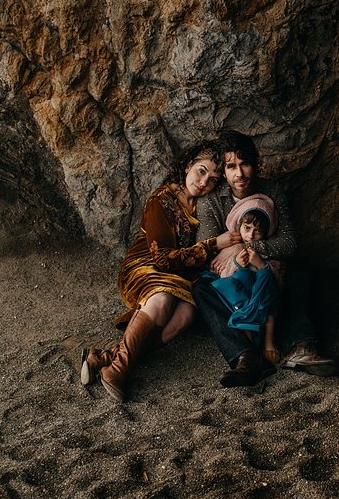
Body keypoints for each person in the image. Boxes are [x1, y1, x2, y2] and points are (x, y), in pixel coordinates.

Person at [80, 140, 229, 402]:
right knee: (162, 299)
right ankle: (118, 369)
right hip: (143, 266)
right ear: (188, 165)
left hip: (179, 275)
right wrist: (213, 245)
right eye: (201, 171)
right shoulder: (162, 200)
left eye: (214, 179)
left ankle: (105, 356)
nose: (205, 182)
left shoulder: (205, 205)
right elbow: (161, 259)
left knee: (187, 315)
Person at [193, 130, 336, 387]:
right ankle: (245, 357)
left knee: (301, 272)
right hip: (234, 280)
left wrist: (252, 250)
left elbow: (289, 242)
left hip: (269, 271)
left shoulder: (271, 191)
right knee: (201, 287)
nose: (240, 174)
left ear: (255, 164)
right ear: (223, 171)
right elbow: (206, 253)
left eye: (245, 164)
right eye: (231, 166)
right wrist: (237, 256)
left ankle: (300, 346)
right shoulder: (211, 202)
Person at [196, 194, 282, 365]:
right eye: (247, 228)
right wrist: (237, 263)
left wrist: (261, 266)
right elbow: (225, 276)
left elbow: (277, 283)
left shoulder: (265, 252)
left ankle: (267, 340)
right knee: (241, 275)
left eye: (258, 231)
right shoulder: (231, 250)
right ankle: (249, 338)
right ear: (239, 226)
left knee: (266, 276)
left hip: (262, 302)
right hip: (239, 302)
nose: (250, 235)